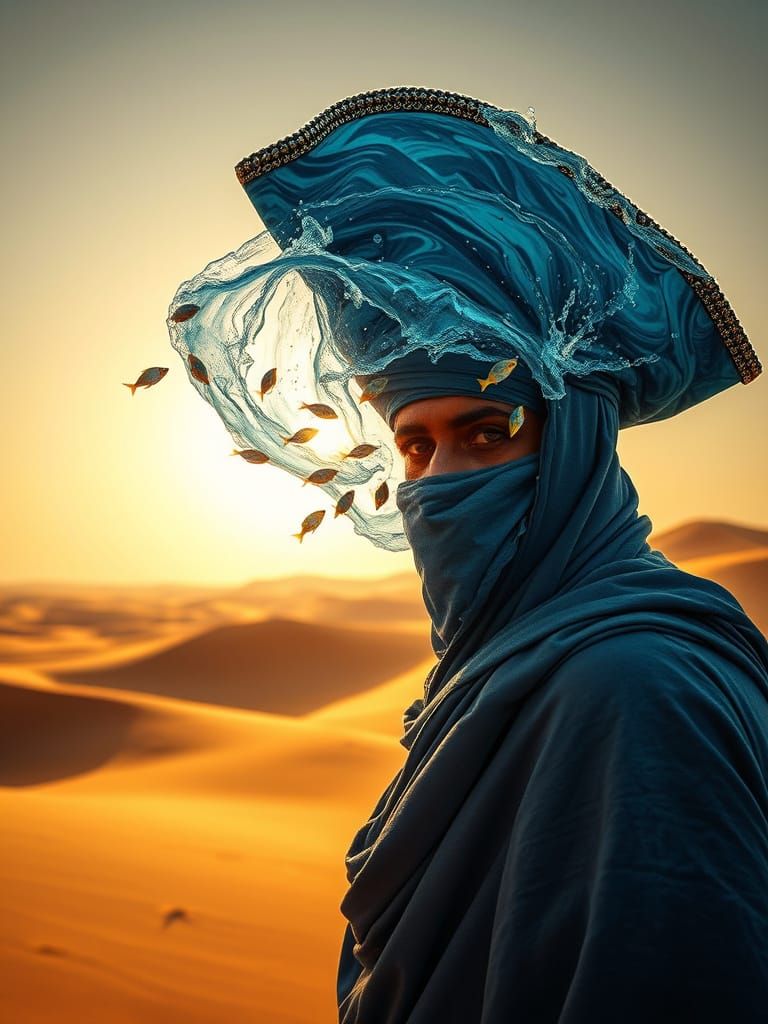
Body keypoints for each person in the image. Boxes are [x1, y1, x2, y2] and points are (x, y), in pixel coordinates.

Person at [168, 86, 768, 1022]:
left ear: (571, 444)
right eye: (415, 444)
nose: (440, 478)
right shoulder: (509, 664)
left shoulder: (636, 687)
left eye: (488, 432)